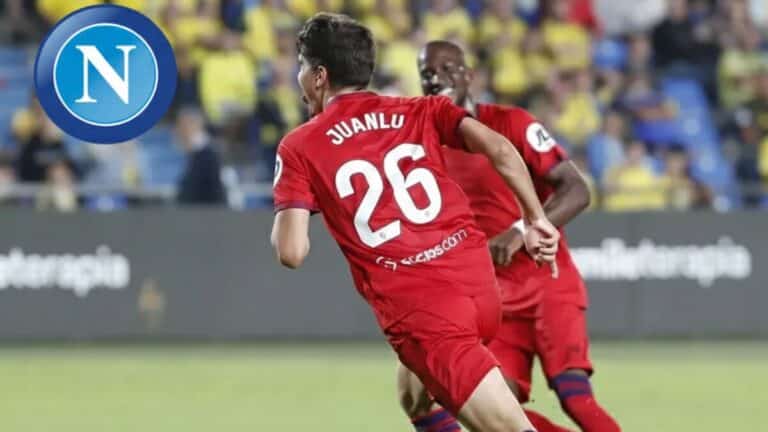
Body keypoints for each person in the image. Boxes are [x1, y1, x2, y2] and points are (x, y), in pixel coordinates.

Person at [271, 13, 560, 432]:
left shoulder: (300, 145)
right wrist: (534, 220)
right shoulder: (419, 109)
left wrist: (289, 204)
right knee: (416, 399)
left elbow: (292, 253)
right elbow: (499, 148)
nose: (298, 78)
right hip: (479, 290)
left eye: (300, 66)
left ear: (319, 76)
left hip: (427, 314)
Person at [397, 40, 621, 432]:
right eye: (427, 74)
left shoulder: (511, 123)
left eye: (447, 68)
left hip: (547, 279)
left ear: (469, 75)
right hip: (492, 296)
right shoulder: (421, 148)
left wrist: (522, 229)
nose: (437, 79)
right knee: (498, 414)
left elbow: (576, 189)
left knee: (575, 398)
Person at [175, 107, 227, 205]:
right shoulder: (190, 152)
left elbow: (215, 191)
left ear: (195, 125)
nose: (179, 130)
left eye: (184, 126)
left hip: (205, 212)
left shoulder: (209, 154)